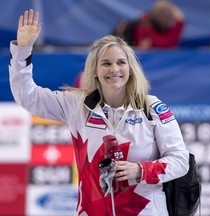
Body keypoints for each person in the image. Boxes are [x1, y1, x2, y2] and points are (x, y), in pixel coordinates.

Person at [9, 9, 189, 216]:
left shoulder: (152, 107)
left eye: (121, 62)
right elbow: (26, 95)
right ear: (94, 70)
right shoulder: (76, 105)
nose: (115, 69)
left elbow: (180, 160)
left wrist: (140, 170)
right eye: (106, 63)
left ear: (131, 68)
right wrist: (23, 49)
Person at [112, 0, 185, 50]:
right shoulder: (146, 31)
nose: (171, 22)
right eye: (170, 18)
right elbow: (180, 20)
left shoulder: (146, 20)